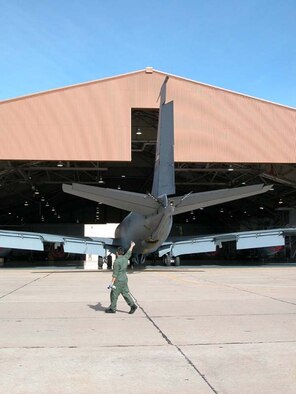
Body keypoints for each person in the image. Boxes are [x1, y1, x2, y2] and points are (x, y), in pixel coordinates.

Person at [105, 241, 138, 314]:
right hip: (124, 279)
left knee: (114, 294)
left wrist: (111, 283)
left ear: (117, 253)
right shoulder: (125, 258)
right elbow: (129, 252)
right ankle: (133, 305)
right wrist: (132, 245)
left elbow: (115, 274)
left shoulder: (117, 262)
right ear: (122, 253)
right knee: (125, 293)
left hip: (118, 281)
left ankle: (113, 309)